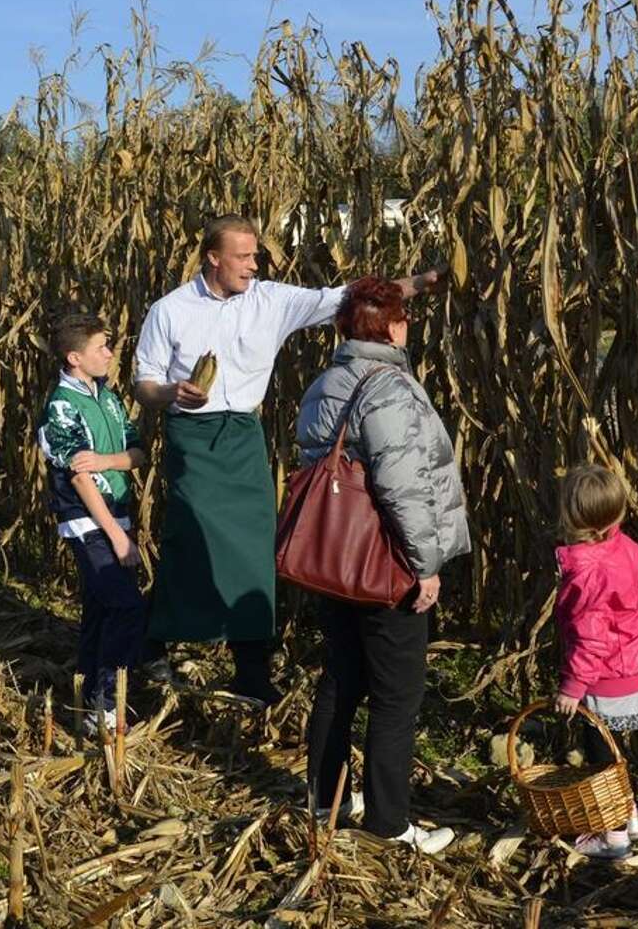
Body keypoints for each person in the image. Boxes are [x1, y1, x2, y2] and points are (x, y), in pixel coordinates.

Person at [133, 215, 440, 704]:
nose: (254, 265)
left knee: (256, 548)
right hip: (191, 436)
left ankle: (249, 669)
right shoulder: (169, 310)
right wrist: (172, 391)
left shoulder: (272, 300)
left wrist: (419, 283)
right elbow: (143, 383)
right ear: (213, 258)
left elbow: (348, 296)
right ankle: (152, 645)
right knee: (193, 541)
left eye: (255, 256)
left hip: (242, 434)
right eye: (243, 257)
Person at [295, 276, 469, 854]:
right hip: (382, 562)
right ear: (392, 326)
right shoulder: (390, 386)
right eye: (403, 319)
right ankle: (390, 823)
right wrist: (425, 564)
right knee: (397, 695)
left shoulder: (325, 382)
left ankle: (327, 797)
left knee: (341, 678)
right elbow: (402, 487)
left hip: (333, 560)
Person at [37, 312, 148, 735]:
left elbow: (136, 454)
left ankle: (85, 701)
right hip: (88, 522)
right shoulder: (61, 408)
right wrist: (118, 537)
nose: (110, 352)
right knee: (126, 607)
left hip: (116, 513)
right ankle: (106, 703)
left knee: (101, 610)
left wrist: (106, 460)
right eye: (101, 346)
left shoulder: (109, 397)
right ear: (74, 357)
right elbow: (80, 478)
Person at [553, 464, 638, 860]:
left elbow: (592, 638)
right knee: (615, 754)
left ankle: (613, 837)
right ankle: (627, 814)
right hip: (634, 671)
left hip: (605, 682)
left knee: (600, 760)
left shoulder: (589, 570)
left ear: (572, 517)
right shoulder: (628, 549)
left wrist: (572, 687)